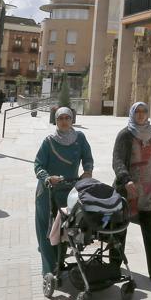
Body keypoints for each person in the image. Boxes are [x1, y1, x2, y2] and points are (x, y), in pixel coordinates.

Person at [112, 101, 151, 281]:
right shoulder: (124, 135)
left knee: (150, 230)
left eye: (144, 111)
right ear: (132, 113)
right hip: (128, 190)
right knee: (119, 231)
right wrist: (125, 179)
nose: (140, 115)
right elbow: (117, 161)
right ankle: (113, 267)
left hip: (149, 190)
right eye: (137, 112)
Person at [33, 107, 94, 283]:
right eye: (61, 118)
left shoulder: (80, 138)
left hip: (69, 191)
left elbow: (87, 157)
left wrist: (88, 171)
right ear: (56, 121)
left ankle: (58, 265)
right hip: (48, 192)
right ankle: (49, 271)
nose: (64, 121)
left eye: (68, 118)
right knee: (47, 231)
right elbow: (38, 165)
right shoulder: (49, 141)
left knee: (64, 231)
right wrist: (47, 178)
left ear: (72, 120)